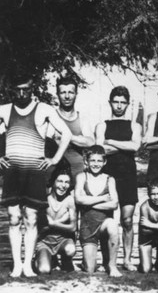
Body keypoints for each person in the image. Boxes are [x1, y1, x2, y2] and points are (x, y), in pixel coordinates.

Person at [0, 73, 72, 277]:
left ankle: (28, 266)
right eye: (18, 89)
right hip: (12, 172)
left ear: (33, 89)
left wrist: (55, 159)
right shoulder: (5, 110)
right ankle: (16, 265)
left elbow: (66, 134)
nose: (22, 94)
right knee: (14, 218)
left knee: (31, 219)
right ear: (11, 90)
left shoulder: (44, 110)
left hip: (34, 172)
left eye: (27, 89)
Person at [95, 86, 141, 271]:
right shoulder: (102, 126)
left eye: (123, 102)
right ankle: (108, 260)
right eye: (116, 101)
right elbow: (99, 150)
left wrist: (111, 142)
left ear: (127, 104)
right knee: (107, 221)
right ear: (110, 102)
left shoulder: (134, 126)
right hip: (108, 176)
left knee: (128, 220)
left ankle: (127, 259)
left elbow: (136, 147)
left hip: (128, 176)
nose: (119, 106)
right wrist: (125, 146)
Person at [74, 145, 121, 277]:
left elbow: (114, 204)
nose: (96, 164)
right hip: (88, 227)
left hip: (104, 225)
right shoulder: (82, 177)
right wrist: (102, 198)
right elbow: (78, 199)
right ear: (86, 161)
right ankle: (86, 262)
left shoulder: (109, 179)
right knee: (90, 269)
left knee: (112, 224)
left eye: (99, 161)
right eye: (93, 160)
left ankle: (112, 266)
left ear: (104, 162)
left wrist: (89, 202)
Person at [47, 76, 95, 177]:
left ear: (76, 94)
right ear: (57, 95)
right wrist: (79, 139)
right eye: (63, 92)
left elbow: (91, 142)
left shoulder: (82, 118)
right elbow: (46, 142)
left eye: (71, 92)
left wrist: (66, 136)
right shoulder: (51, 117)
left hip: (79, 175)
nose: (67, 96)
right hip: (57, 177)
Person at [35, 168, 77, 274]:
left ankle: (65, 259)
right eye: (59, 181)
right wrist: (61, 220)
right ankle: (42, 258)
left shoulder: (70, 200)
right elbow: (41, 230)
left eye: (66, 182)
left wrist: (53, 223)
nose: (63, 186)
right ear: (53, 182)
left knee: (70, 249)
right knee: (44, 270)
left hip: (63, 240)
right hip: (45, 242)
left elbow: (73, 228)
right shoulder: (44, 200)